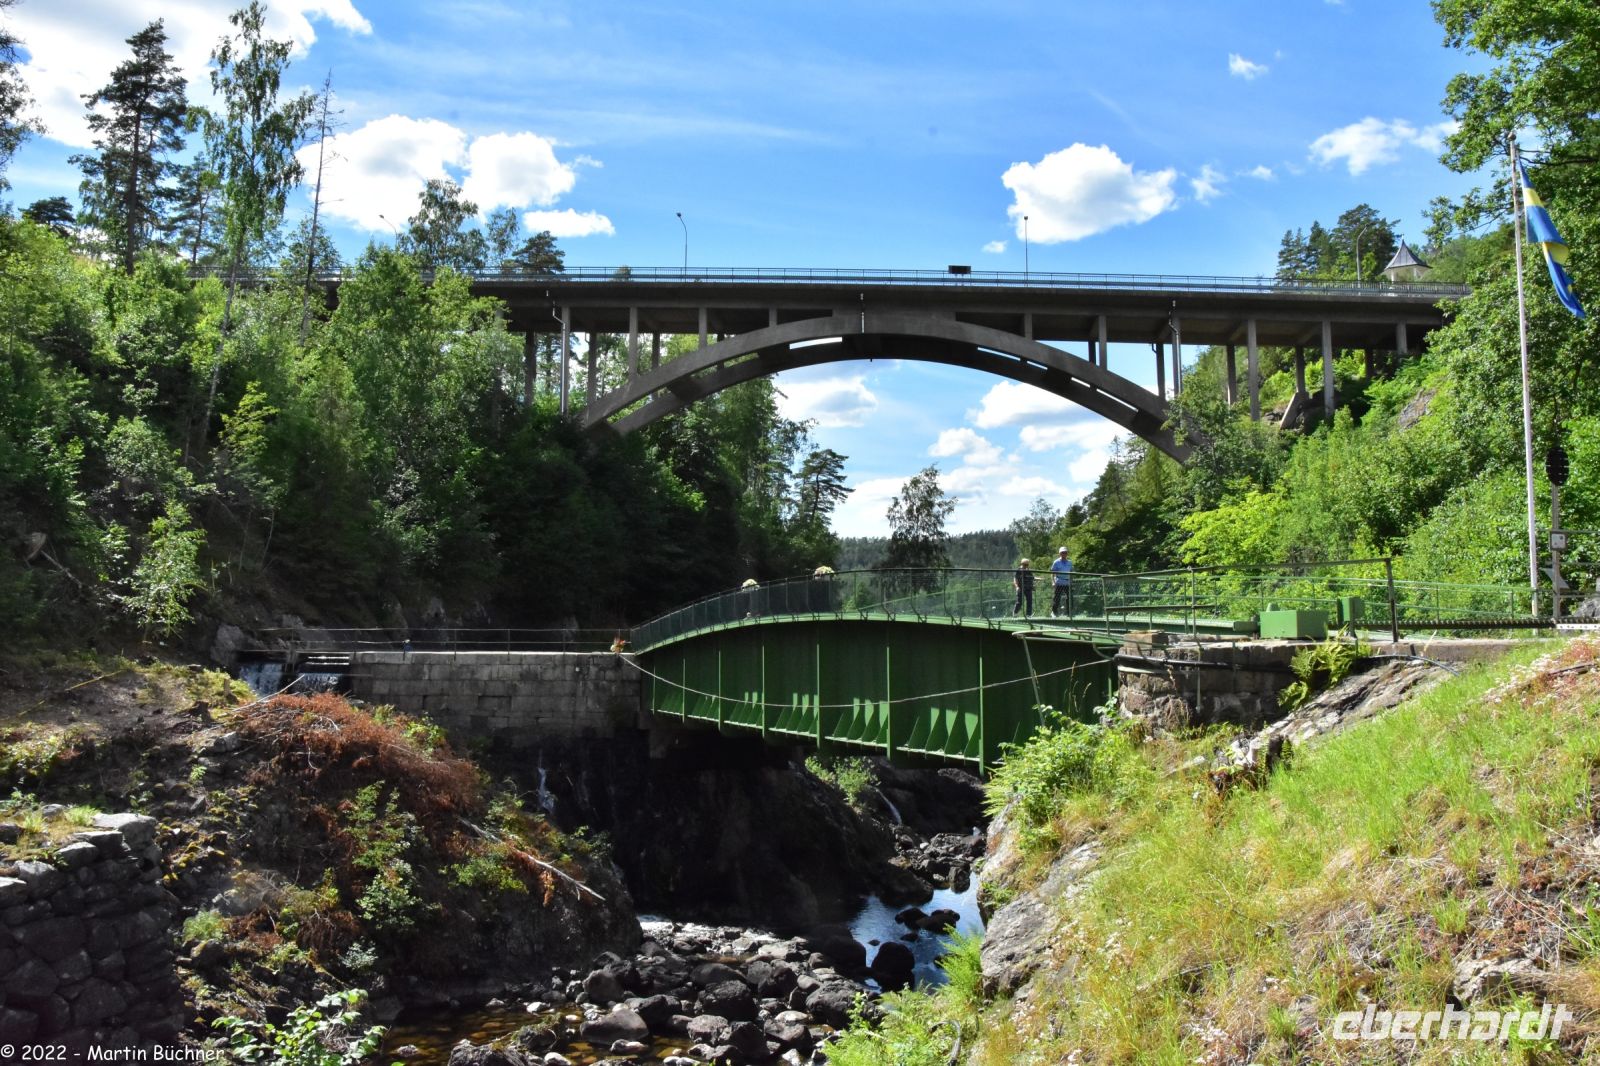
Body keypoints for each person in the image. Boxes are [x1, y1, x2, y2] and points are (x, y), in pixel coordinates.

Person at [1050, 546, 1074, 617]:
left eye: (1066, 553)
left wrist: (1071, 580)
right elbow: (1052, 573)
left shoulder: (1070, 562)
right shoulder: (1056, 562)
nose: (1064, 554)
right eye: (1063, 553)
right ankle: (1054, 612)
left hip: (1067, 582)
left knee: (1070, 598)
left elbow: (1071, 572)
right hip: (1059, 582)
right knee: (1057, 598)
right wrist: (1053, 582)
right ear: (1060, 554)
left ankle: (1069, 613)